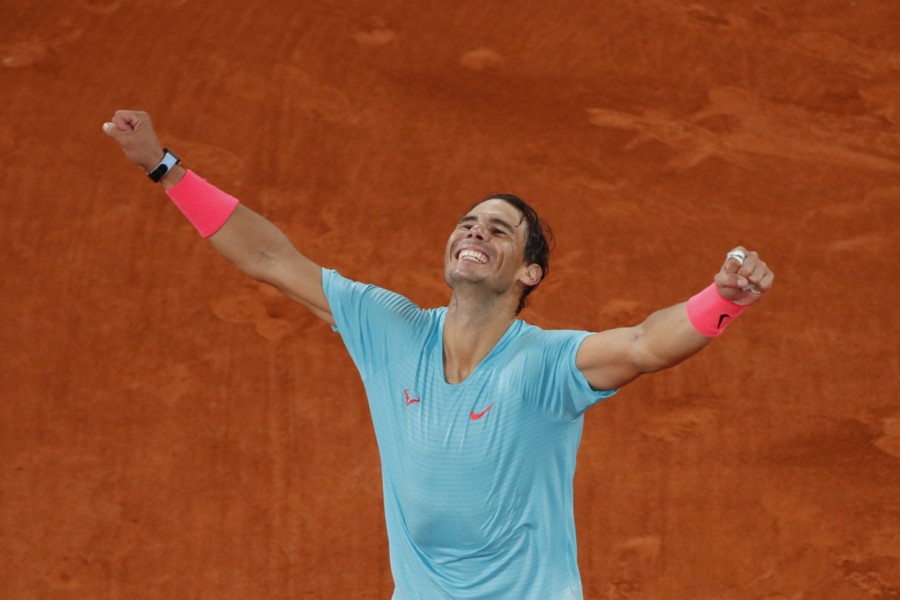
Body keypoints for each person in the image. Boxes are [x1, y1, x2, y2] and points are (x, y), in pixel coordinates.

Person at [103, 110, 774, 600]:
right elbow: (269, 256)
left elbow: (646, 344)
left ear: (528, 274)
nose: (475, 230)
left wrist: (722, 298)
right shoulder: (389, 328)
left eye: (500, 229)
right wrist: (164, 166)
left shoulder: (543, 367)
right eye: (468, 222)